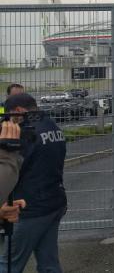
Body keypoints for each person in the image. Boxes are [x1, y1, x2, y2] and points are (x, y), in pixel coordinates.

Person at [0, 93, 66, 273]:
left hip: (29, 207)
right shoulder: (52, 126)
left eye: (11, 116)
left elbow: (12, 170)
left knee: (8, 264)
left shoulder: (25, 133)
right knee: (49, 262)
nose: (10, 122)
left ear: (19, 111)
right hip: (54, 200)